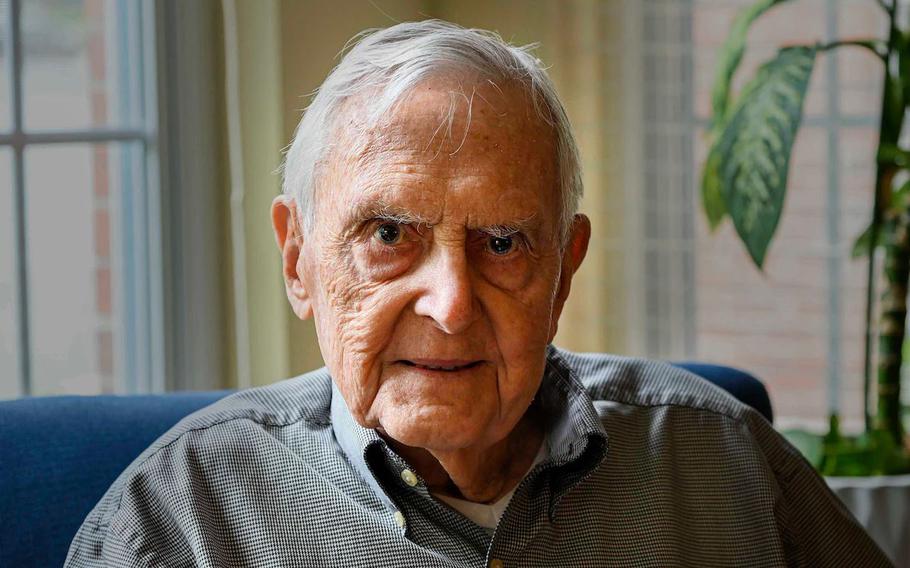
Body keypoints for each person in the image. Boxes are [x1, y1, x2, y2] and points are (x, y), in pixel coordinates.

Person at [66, 20, 891, 567]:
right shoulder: (180, 517)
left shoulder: (722, 464)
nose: (452, 305)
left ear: (564, 270)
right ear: (299, 261)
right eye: (389, 235)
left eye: (502, 243)